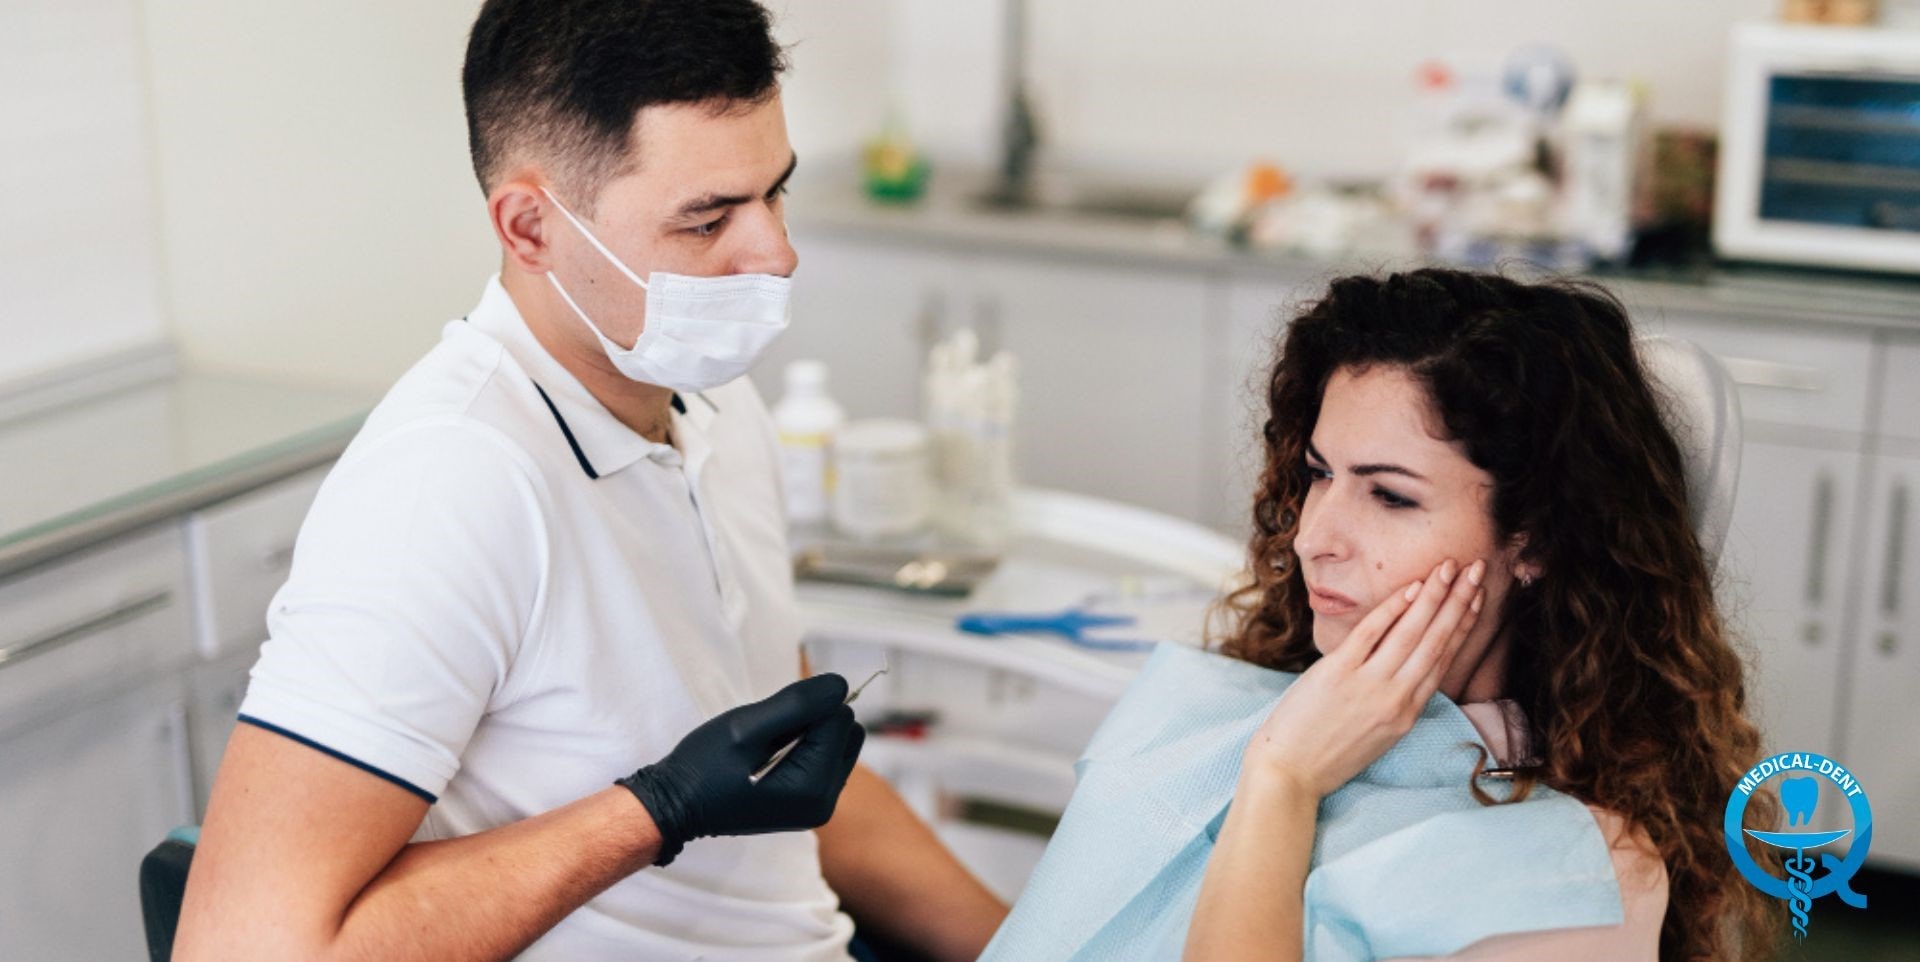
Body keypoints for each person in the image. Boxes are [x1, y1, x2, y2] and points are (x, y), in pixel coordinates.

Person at [172, 2, 1007, 960]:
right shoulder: (449, 484)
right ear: (530, 227)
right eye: (707, 219)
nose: (776, 254)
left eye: (775, 192)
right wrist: (654, 811)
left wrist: (1038, 946)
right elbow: (241, 947)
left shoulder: (714, 402)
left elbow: (794, 776)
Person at [984, 269, 1784, 961]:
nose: (1313, 536)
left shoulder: (1573, 875)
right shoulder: (1250, 699)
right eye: (1319, 474)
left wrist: (1284, 782)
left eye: (1391, 495)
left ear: (1535, 535)